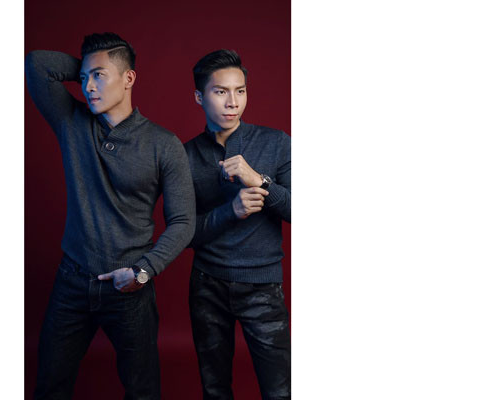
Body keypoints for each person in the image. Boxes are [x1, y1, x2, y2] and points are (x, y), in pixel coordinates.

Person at [25, 32, 195, 400]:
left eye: (99, 76)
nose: (88, 87)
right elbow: (37, 63)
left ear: (129, 78)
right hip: (72, 282)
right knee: (49, 387)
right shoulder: (72, 122)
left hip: (129, 287)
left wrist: (143, 271)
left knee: (143, 391)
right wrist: (93, 67)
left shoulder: (164, 145)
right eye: (83, 77)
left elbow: (184, 221)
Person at [184, 49, 291, 400]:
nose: (233, 102)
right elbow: (184, 232)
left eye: (240, 91)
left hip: (262, 286)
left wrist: (259, 180)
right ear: (199, 96)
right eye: (221, 92)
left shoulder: (276, 143)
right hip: (207, 285)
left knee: (280, 390)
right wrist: (230, 211)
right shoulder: (184, 155)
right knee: (215, 390)